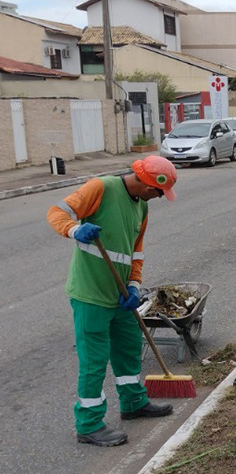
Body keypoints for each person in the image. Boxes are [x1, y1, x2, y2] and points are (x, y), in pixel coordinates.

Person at [46, 155, 178, 447]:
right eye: (158, 192)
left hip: (120, 295)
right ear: (146, 184)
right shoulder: (101, 188)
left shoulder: (141, 207)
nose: (158, 198)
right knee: (94, 362)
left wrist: (133, 285)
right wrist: (74, 229)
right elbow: (57, 212)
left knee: (129, 348)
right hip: (91, 294)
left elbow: (137, 251)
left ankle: (133, 403)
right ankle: (89, 424)